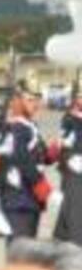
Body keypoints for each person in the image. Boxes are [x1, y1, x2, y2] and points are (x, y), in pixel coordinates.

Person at [0, 75, 53, 240]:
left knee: (27, 255)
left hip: (29, 201)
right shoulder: (16, 127)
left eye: (37, 99)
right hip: (18, 200)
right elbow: (22, 159)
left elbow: (42, 157)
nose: (35, 104)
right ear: (17, 100)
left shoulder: (29, 126)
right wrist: (42, 186)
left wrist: (56, 150)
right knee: (20, 256)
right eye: (29, 99)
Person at [53, 82, 82, 246]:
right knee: (72, 211)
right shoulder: (70, 118)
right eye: (80, 96)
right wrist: (69, 157)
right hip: (73, 170)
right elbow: (61, 145)